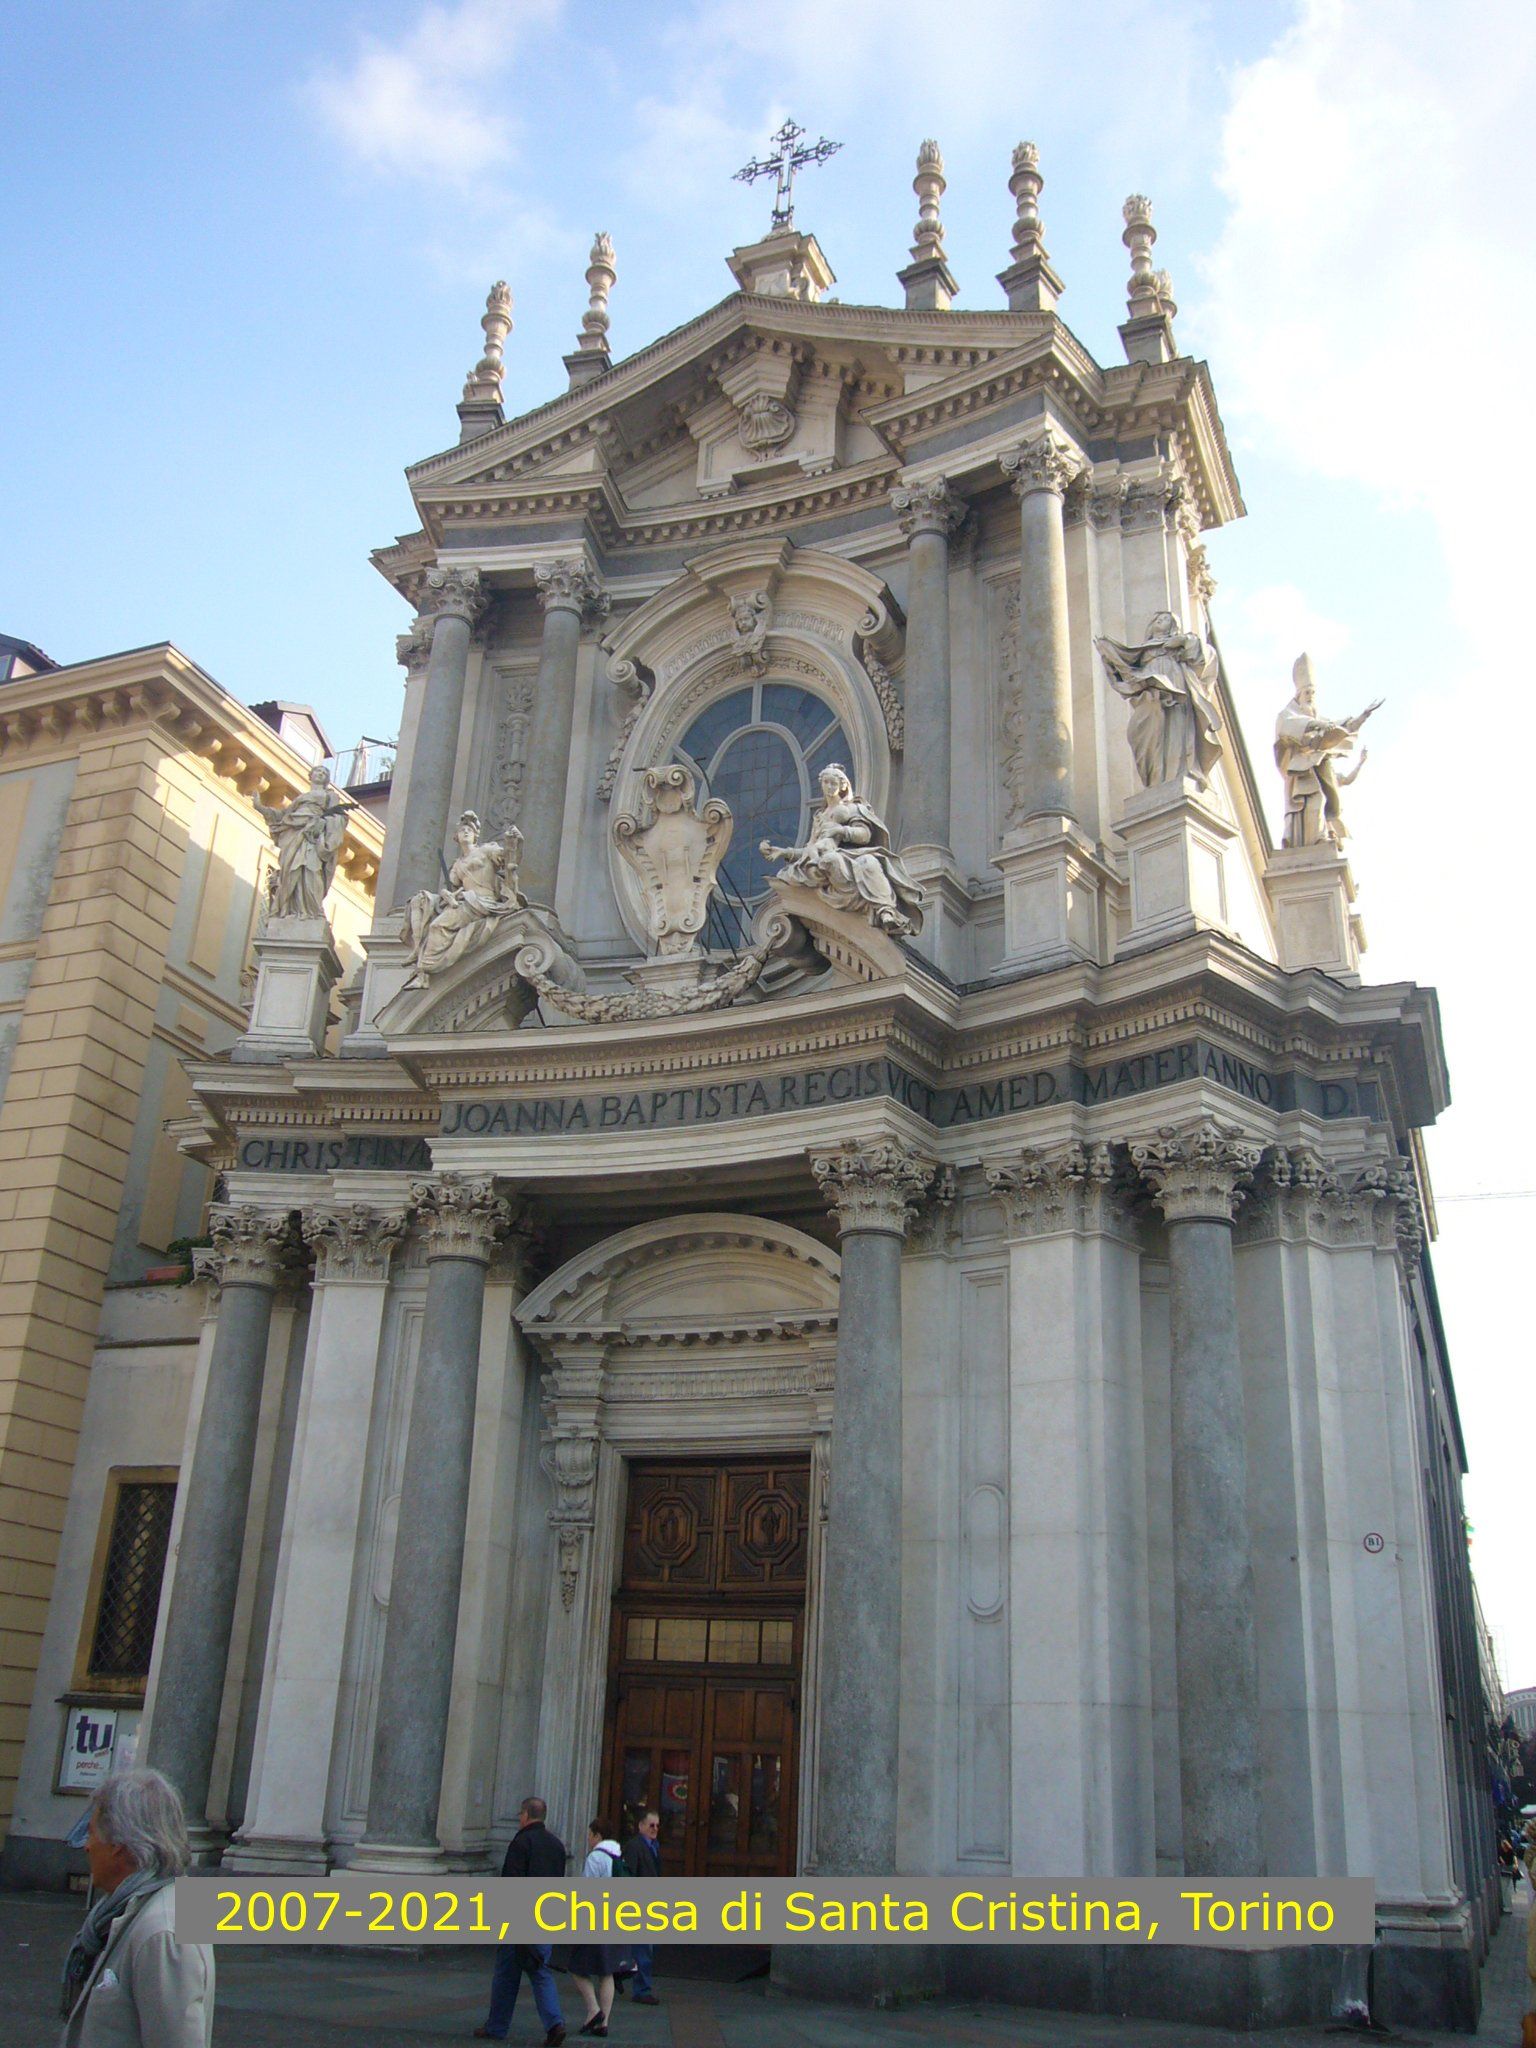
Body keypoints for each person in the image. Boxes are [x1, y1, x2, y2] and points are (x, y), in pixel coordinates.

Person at [60, 1766, 214, 2047]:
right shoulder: (131, 1910)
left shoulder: (163, 1931)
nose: (86, 1846)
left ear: (118, 1843)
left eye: (92, 1833)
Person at [760, 763, 925, 938]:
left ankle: (885, 912)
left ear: (843, 786)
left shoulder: (853, 808)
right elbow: (811, 848)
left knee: (867, 863)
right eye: (826, 783)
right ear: (821, 784)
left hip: (849, 854)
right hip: (822, 858)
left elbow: (864, 834)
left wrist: (841, 831)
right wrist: (785, 852)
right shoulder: (820, 817)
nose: (830, 787)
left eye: (834, 783)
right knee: (826, 861)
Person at [1096, 611, 1224, 790]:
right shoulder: (1143, 651)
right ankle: (1157, 776)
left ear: (1173, 626)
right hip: (1151, 689)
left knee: (1177, 724)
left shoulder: (1180, 643)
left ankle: (1180, 772)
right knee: (1149, 729)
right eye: (1157, 619)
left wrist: (1183, 641)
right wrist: (1108, 652)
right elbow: (1125, 666)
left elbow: (1207, 656)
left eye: (1165, 619)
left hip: (1176, 683)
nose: (1160, 621)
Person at [475, 1798, 567, 2046]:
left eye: (520, 1814)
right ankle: (555, 2023)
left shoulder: (521, 1842)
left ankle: (497, 2026)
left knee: (506, 1973)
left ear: (526, 1815)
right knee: (540, 1971)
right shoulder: (557, 1845)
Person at [404, 811, 527, 984]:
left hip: (484, 902)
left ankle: (424, 970)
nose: (466, 832)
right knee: (422, 901)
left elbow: (510, 859)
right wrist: (446, 894)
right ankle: (419, 955)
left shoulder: (486, 850)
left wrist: (513, 842)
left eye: (469, 829)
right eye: (462, 830)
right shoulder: (457, 864)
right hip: (467, 902)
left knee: (438, 926)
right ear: (457, 837)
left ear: (476, 834)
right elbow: (451, 887)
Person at [1273, 653, 1381, 847]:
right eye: (1307, 693)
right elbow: (1292, 727)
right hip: (1300, 775)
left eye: (1313, 693)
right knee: (1316, 800)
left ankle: (1319, 837)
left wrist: (1363, 716)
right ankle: (1315, 838)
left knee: (1322, 799)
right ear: (1299, 695)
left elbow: (1342, 728)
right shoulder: (1287, 716)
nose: (1310, 697)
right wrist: (1317, 727)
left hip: (1316, 771)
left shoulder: (1322, 723)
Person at [254, 764, 350, 920]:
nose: (320, 773)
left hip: (312, 837)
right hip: (295, 834)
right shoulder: (300, 799)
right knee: (291, 870)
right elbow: (283, 817)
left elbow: (339, 816)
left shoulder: (330, 796)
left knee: (311, 870)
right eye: (318, 771)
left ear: (327, 780)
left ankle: (311, 912)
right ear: (310, 776)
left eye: (324, 772)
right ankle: (290, 910)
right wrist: (260, 807)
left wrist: (321, 824)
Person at [568, 1821, 627, 2038]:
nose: (588, 1839)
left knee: (575, 1966)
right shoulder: (619, 1855)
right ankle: (605, 2022)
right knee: (607, 1971)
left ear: (597, 1835)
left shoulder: (596, 1857)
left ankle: (593, 2010)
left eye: (590, 1834)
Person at [620, 1809, 663, 2005]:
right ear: (641, 1826)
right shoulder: (634, 1846)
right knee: (643, 1949)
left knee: (642, 1949)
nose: (654, 1829)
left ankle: (621, 1978)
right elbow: (629, 1875)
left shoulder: (654, 1846)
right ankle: (641, 1989)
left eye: (657, 1825)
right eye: (651, 1825)